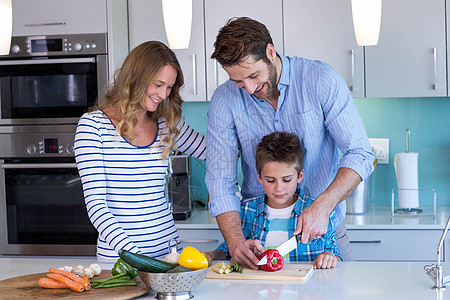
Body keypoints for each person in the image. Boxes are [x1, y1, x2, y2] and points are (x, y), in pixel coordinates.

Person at [205, 17, 374, 269]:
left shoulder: (321, 80)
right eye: (238, 82)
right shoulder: (224, 100)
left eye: (253, 76)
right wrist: (236, 243)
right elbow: (220, 181)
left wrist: (322, 206)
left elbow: (360, 153)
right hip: (256, 236)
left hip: (323, 233)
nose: (249, 89)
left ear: (270, 52)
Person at [74, 41, 206, 267]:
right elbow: (97, 206)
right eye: (158, 84)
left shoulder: (167, 124)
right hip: (121, 263)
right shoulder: (92, 127)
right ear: (136, 77)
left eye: (169, 87)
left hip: (169, 256)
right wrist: (136, 258)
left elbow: (215, 152)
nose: (163, 94)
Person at [205, 132, 342, 269]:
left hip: (305, 288)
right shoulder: (246, 211)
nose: (279, 188)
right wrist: (212, 255)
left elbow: (335, 254)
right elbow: (229, 251)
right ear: (259, 178)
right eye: (270, 180)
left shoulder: (318, 212)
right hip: (259, 288)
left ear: (300, 176)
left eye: (287, 180)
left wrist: (328, 257)